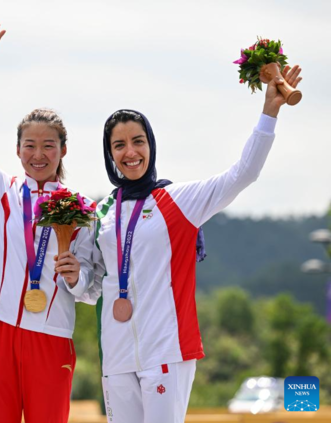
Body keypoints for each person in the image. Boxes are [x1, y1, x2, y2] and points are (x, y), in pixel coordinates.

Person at [90, 66, 302, 423]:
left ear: (151, 145)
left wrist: (269, 113)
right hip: (116, 353)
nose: (131, 152)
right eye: (119, 145)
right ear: (111, 154)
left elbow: (243, 173)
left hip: (167, 350)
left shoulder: (179, 200)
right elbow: (93, 283)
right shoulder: (102, 212)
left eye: (138, 141)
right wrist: (71, 276)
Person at [0, 24, 96, 423]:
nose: (38, 154)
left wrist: (75, 277)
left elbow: (90, 288)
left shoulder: (80, 208)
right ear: (17, 150)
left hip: (50, 335)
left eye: (48, 145)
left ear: (62, 150)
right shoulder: (2, 191)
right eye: (29, 145)